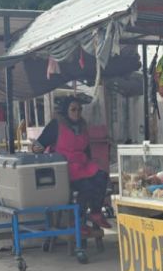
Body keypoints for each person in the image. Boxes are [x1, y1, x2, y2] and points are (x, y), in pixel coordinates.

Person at [33, 96, 111, 230]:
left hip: (82, 165)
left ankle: (96, 213)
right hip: (64, 169)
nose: (77, 113)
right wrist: (37, 148)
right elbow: (39, 145)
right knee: (87, 186)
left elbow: (87, 150)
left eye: (79, 109)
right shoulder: (56, 125)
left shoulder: (82, 126)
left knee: (102, 176)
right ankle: (77, 221)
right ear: (66, 111)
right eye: (73, 109)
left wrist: (92, 166)